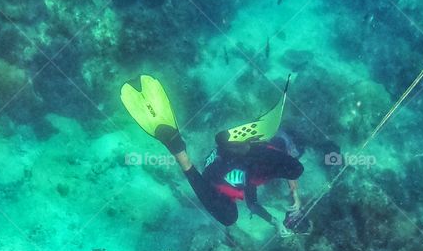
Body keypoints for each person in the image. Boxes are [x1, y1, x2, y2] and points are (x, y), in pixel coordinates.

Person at [121, 75, 307, 230]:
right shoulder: (275, 152)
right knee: (230, 213)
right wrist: (279, 216)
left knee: (229, 216)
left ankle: (180, 146)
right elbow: (256, 201)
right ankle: (187, 151)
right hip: (227, 160)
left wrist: (291, 201)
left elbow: (285, 167)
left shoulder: (267, 163)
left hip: (222, 165)